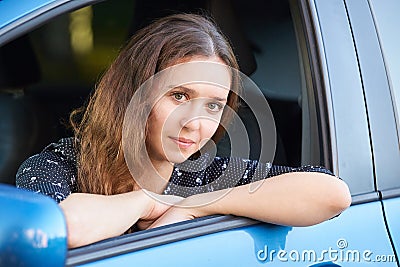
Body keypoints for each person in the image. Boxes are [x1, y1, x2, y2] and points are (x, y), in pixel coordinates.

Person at [16, 13, 351, 248]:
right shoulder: (61, 163)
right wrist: (145, 201)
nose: (195, 123)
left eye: (213, 105)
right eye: (179, 96)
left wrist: (197, 206)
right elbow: (64, 228)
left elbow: (332, 193)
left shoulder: (204, 175)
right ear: (134, 94)